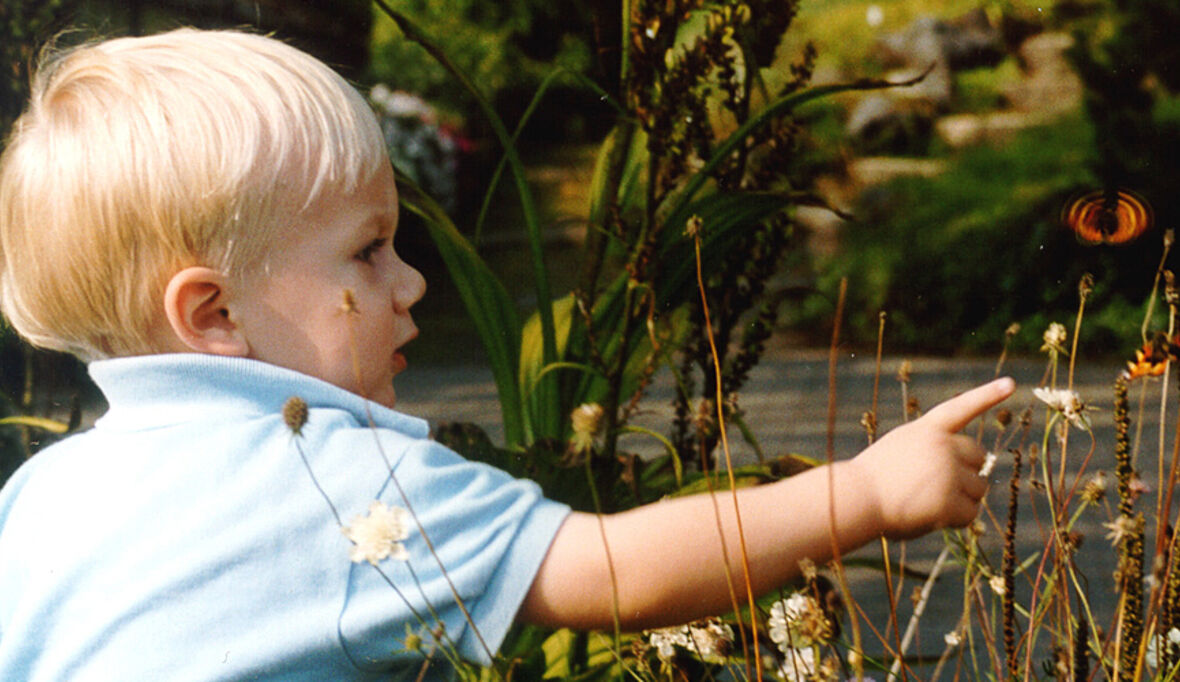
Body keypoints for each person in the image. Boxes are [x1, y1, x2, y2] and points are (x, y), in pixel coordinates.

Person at [0, 28, 1015, 680]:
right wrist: (867, 494)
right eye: (370, 250)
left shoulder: (40, 494)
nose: (413, 285)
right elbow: (614, 571)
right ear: (213, 313)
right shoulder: (345, 485)